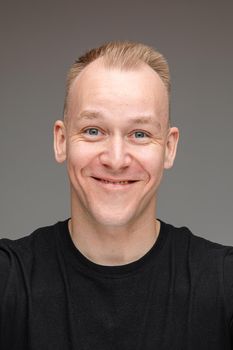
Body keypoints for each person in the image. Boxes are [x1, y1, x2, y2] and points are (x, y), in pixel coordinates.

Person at [0, 41, 232, 349]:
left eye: (140, 134)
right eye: (94, 130)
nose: (116, 158)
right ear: (61, 140)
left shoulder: (224, 284)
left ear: (169, 147)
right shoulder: (8, 281)